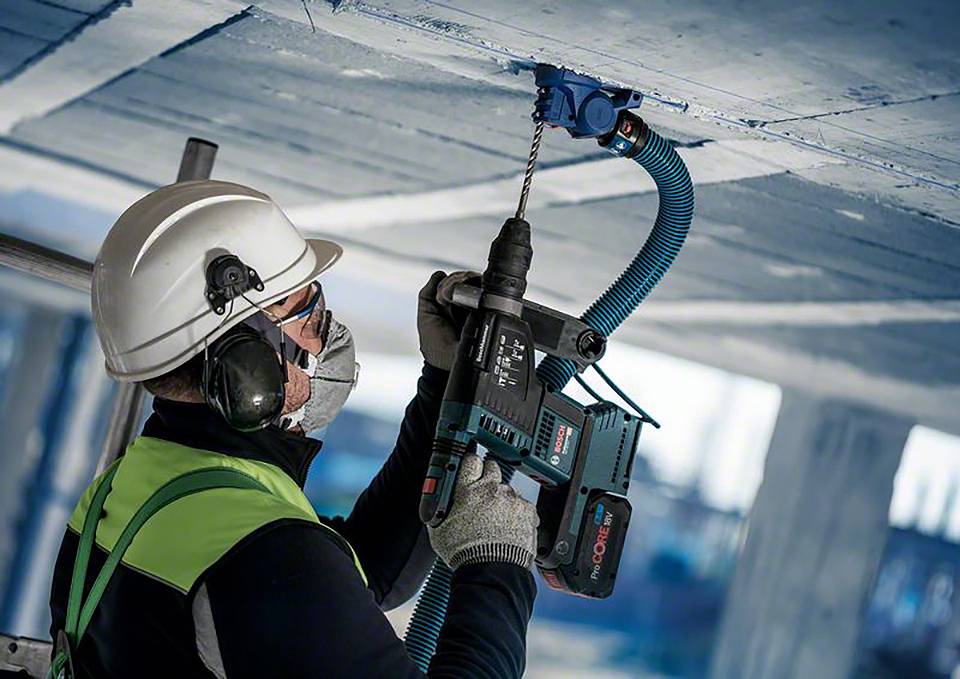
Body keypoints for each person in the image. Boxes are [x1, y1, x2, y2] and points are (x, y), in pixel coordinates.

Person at [47, 180, 539, 678]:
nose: (325, 338)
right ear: (248, 355)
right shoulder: (263, 552)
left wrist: (444, 382)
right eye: (309, 315)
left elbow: (356, 577)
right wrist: (497, 562)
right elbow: (299, 584)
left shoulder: (135, 494)